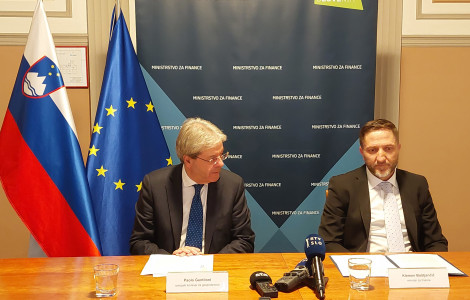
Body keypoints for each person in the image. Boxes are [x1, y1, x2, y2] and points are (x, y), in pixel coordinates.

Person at [130, 117, 255, 256]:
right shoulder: (154, 185)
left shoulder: (232, 185)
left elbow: (244, 241)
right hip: (168, 269)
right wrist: (171, 260)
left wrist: (208, 262)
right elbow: (139, 242)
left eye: (221, 155)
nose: (220, 164)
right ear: (188, 160)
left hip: (215, 268)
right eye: (212, 158)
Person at [319, 119, 448, 253]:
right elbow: (329, 241)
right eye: (372, 150)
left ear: (398, 149)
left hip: (411, 267)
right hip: (365, 267)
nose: (381, 158)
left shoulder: (417, 184)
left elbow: (435, 241)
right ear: (362, 152)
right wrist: (359, 265)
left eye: (388, 148)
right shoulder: (342, 186)